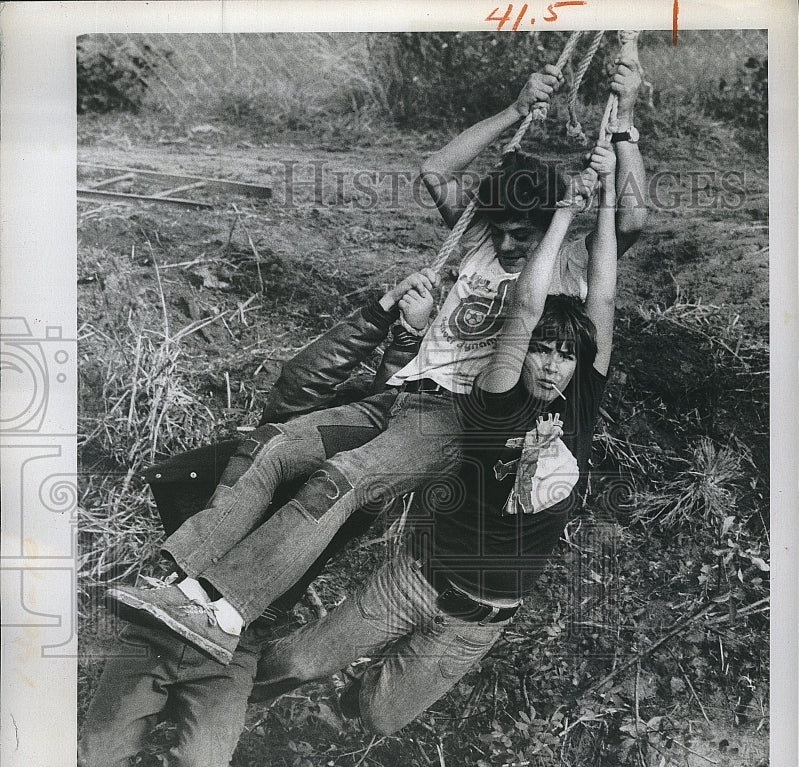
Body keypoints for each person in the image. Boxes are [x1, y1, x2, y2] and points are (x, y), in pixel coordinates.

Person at [109, 55, 645, 667]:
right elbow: (436, 171)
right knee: (273, 446)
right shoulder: (476, 244)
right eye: (500, 227)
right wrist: (516, 111)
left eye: (523, 231)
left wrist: (623, 125)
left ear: (549, 226)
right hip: (399, 396)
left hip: (454, 422)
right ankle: (180, 582)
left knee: (341, 481)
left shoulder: (561, 268)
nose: (507, 242)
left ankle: (226, 611)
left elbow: (630, 221)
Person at [78, 273, 434, 767]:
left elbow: (404, 409)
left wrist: (411, 337)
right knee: (94, 766)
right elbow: (308, 376)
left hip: (238, 642)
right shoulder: (284, 436)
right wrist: (383, 311)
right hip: (163, 615)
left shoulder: (360, 483)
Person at [255, 141, 618, 734]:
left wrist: (600, 198)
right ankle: (232, 697)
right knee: (294, 662)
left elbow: (601, 295)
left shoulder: (580, 401)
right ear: (517, 352)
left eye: (563, 357)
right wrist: (560, 213)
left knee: (374, 717)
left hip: (481, 618)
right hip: (420, 577)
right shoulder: (499, 393)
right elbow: (525, 306)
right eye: (541, 352)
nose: (551, 366)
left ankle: (331, 711)